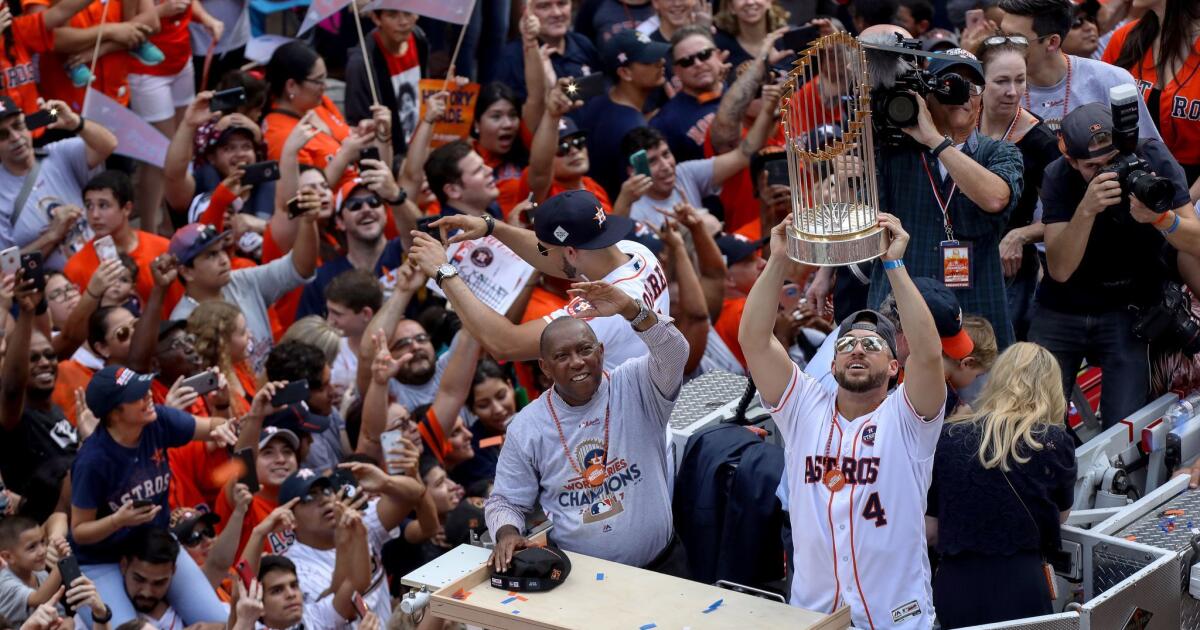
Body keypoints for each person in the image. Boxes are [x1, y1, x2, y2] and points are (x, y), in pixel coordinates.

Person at [740, 213, 947, 629]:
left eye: (871, 345)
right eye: (847, 344)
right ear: (832, 362)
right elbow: (755, 340)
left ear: (892, 367)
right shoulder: (803, 406)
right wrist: (778, 259)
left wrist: (894, 266)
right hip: (816, 618)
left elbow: (927, 354)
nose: (856, 350)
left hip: (896, 620)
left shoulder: (908, 418)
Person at [485, 279, 690, 577]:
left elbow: (675, 352)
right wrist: (506, 533)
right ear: (545, 368)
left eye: (585, 350)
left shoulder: (635, 383)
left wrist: (631, 310)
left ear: (601, 351)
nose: (577, 362)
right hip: (581, 580)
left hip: (663, 566)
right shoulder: (528, 426)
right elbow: (506, 500)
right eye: (562, 356)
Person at [1033, 103, 1198, 427]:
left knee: (1123, 425)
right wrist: (1086, 210)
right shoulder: (1059, 175)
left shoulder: (1153, 157)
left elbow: (1195, 242)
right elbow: (1060, 270)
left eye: (1114, 161)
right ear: (1072, 161)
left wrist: (1162, 219)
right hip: (1064, 305)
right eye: (1094, 167)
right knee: (1037, 418)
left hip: (1130, 306)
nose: (1109, 173)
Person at [867, 46, 1023, 350]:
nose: (963, 94)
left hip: (977, 312)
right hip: (901, 306)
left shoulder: (998, 152)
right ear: (926, 95)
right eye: (950, 83)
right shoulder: (892, 153)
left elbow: (995, 198)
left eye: (973, 86)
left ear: (981, 100)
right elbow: (867, 220)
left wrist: (935, 141)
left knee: (981, 397)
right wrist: (848, 179)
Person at [411, 190, 671, 369]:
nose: (542, 254)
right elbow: (555, 258)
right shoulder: (634, 251)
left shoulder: (604, 311)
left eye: (545, 249)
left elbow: (504, 344)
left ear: (571, 251)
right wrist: (493, 227)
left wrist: (444, 271)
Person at [68, 366, 240, 626]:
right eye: (137, 395)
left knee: (218, 622)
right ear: (115, 413)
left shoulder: (156, 420)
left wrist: (221, 427)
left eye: (145, 388)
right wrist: (118, 520)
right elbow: (79, 531)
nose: (148, 396)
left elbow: (210, 426)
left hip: (154, 548)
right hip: (100, 560)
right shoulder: (93, 460)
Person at [927, 343, 1076, 627]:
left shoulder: (950, 435)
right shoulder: (1053, 441)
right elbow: (1060, 516)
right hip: (1021, 582)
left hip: (956, 582)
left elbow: (931, 530)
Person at [976, 38, 1060, 341]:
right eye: (1001, 81)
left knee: (1000, 353)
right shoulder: (960, 121)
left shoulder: (1040, 141)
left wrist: (1019, 236)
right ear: (980, 81)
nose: (1013, 91)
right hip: (958, 256)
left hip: (1009, 268)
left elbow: (1067, 214)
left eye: (1020, 80)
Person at [285, 460, 428, 626]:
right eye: (309, 498)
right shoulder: (295, 569)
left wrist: (386, 482)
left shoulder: (358, 520)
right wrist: (347, 542)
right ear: (291, 519)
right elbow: (337, 609)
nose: (323, 500)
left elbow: (412, 495)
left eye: (326, 490)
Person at [168, 218, 317, 369]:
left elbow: (300, 268)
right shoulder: (183, 323)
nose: (224, 260)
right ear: (186, 272)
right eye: (211, 255)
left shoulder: (241, 280)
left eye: (222, 250)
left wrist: (308, 222)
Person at [999, 0, 1161, 135]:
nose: (1002, 46)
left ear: (1052, 42)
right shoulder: (994, 88)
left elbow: (1148, 151)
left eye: (1015, 39)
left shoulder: (1112, 81)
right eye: (999, 35)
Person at [0, 95, 117, 270]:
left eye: (18, 125)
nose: (16, 137)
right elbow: (5, 269)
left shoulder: (57, 153)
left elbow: (108, 145)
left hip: (105, 266)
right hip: (59, 292)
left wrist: (75, 122)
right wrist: (52, 235)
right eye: (3, 135)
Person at [0, 282, 81, 522]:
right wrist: (25, 313)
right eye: (32, 359)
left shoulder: (53, 409)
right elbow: (13, 388)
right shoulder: (15, 416)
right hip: (44, 534)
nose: (45, 363)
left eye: (49, 355)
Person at [1104, 0, 1200, 193]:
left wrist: (1187, 204)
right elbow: (1100, 109)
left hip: (1192, 189)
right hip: (1130, 180)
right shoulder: (1125, 37)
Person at [572, 29, 670, 198]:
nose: (661, 62)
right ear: (625, 73)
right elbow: (642, 193)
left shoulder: (598, 97)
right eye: (649, 60)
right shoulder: (633, 129)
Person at [64, 172, 179, 311]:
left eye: (103, 205)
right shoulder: (76, 267)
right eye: (89, 206)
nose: (94, 215)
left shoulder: (163, 249)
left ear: (126, 208)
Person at [345, 9, 428, 154]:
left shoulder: (418, 37)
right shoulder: (361, 64)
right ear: (376, 18)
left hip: (422, 145)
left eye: (408, 13)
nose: (403, 22)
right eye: (393, 15)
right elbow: (360, 125)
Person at [263, 341, 348, 473]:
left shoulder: (327, 410)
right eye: (322, 387)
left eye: (330, 381)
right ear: (298, 393)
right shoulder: (308, 446)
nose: (332, 391)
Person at [496, 0, 603, 102]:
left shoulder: (582, 43)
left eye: (562, 3)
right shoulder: (512, 57)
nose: (556, 13)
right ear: (526, 12)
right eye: (544, 6)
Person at [651, 26, 726, 162]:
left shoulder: (746, 90)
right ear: (676, 71)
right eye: (686, 61)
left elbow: (779, 123)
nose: (697, 64)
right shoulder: (666, 123)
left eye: (704, 54)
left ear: (718, 56)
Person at [324, 270, 383, 395]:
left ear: (366, 314)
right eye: (328, 311)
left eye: (337, 314)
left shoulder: (394, 347)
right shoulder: (326, 347)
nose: (329, 320)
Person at [0, 517, 67, 624]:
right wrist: (61, 563)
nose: (42, 551)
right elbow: (38, 599)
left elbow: (57, 611)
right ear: (8, 557)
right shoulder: (5, 583)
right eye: (32, 547)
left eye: (42, 541)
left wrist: (67, 621)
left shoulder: (40, 574)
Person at [713, 0, 793, 71]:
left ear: (769, 2)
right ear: (731, 7)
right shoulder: (719, 47)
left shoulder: (789, 39)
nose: (750, 2)